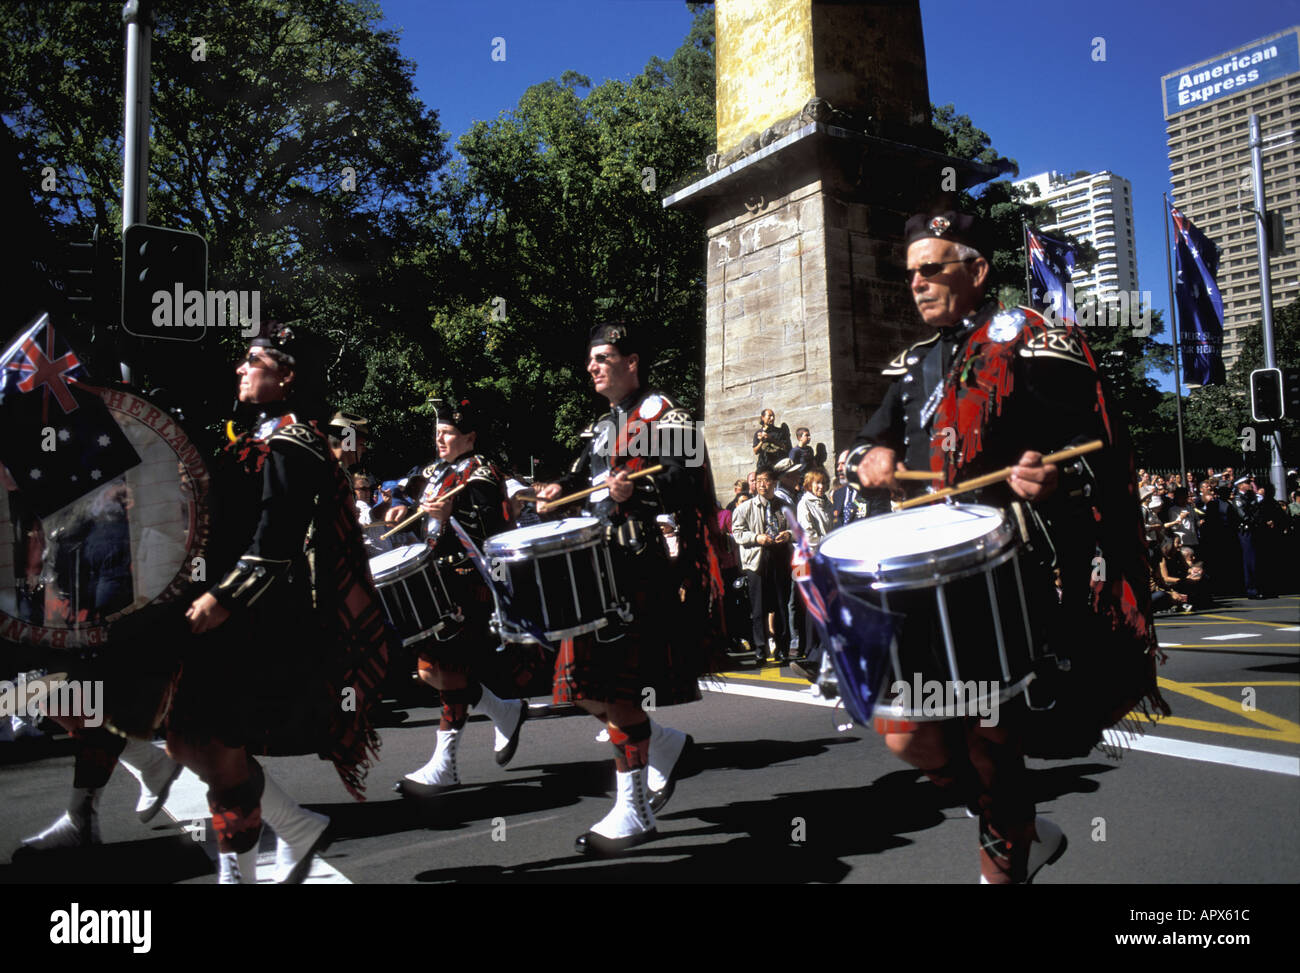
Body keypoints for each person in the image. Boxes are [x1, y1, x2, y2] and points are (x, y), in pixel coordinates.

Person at [844, 210, 1166, 884]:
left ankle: (1002, 869)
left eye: (933, 269)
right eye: (912, 275)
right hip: (923, 583)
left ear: (978, 270)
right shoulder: (913, 365)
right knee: (911, 734)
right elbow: (862, 445)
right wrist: (868, 457)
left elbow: (1098, 447)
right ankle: (1024, 828)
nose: (919, 285)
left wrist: (1054, 475)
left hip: (1010, 572)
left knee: (992, 740)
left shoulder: (1033, 338)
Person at [171, 326, 391, 883]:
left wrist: (222, 599)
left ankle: (238, 873)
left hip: (261, 620)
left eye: (253, 361)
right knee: (189, 743)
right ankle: (296, 826)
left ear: (286, 376)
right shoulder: (256, 436)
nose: (241, 370)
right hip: (231, 616)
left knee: (220, 752)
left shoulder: (293, 443)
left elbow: (275, 544)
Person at [532, 322, 724, 855]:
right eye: (590, 359)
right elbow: (580, 478)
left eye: (602, 357)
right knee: (583, 688)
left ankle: (635, 811)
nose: (591, 367)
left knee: (616, 692)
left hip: (638, 567)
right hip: (596, 567)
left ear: (632, 361)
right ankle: (662, 742)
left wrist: (638, 489)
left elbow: (689, 479)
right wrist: (557, 490)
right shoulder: (602, 424)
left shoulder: (668, 415)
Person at [394, 398, 530, 798]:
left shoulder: (482, 473)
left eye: (448, 431)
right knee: (429, 671)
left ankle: (445, 765)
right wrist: (399, 512)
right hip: (436, 579)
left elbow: (493, 529)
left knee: (447, 669)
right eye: (437, 430)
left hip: (466, 580)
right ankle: (505, 710)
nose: (439, 437)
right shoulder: (435, 470)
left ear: (469, 437)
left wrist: (449, 514)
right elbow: (401, 495)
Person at [732, 470, 792, 664]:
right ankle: (760, 648)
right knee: (758, 607)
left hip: (780, 557)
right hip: (756, 560)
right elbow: (738, 533)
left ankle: (783, 647)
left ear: (774, 483)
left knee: (781, 605)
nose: (762, 485)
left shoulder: (784, 506)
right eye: (758, 481)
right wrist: (757, 538)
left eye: (766, 481)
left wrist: (789, 535)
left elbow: (797, 528)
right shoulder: (745, 508)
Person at [752, 409, 791, 474]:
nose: (772, 418)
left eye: (773, 416)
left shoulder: (780, 432)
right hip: (764, 466)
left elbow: (785, 447)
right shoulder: (758, 433)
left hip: (779, 465)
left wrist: (771, 439)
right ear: (763, 418)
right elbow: (755, 451)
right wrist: (761, 441)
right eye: (769, 416)